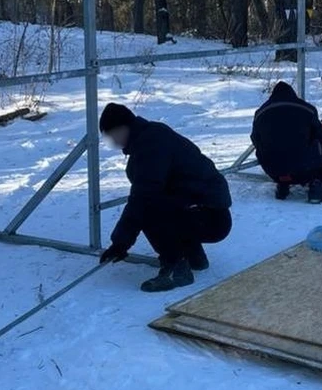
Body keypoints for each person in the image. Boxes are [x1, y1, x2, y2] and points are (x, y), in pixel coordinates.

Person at [97, 103, 232, 292]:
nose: (112, 141)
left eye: (111, 135)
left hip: (209, 217)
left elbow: (142, 197)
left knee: (149, 210)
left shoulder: (150, 146)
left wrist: (120, 242)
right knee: (163, 203)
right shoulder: (151, 136)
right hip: (211, 213)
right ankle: (194, 258)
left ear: (122, 127)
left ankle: (175, 268)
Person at [251, 81, 322, 204]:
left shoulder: (260, 113)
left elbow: (255, 139)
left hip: (273, 169)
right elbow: (321, 136)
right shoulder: (307, 109)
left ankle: (283, 184)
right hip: (304, 169)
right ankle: (317, 184)